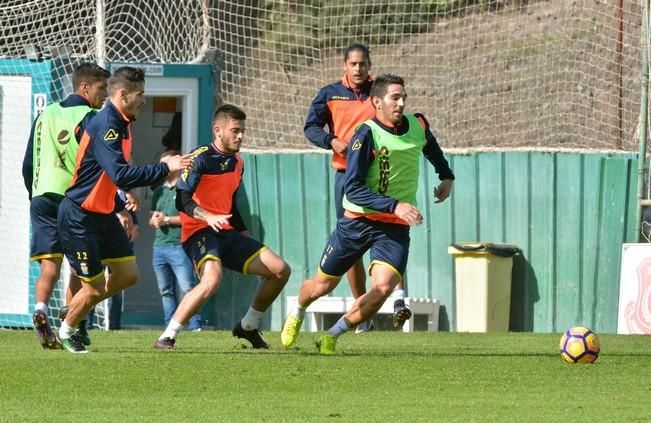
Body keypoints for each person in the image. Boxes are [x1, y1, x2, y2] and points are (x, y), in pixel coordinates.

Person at [282, 74, 455, 354]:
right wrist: (394, 205)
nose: (401, 103)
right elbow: (352, 189)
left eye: (403, 97)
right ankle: (299, 310)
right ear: (377, 102)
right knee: (321, 286)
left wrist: (446, 175)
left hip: (393, 229)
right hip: (357, 223)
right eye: (394, 98)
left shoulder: (418, 124)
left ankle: (333, 335)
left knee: (384, 286)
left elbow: (431, 147)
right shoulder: (365, 135)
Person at [56, 66, 192, 353]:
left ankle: (75, 309)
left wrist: (119, 205)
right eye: (140, 94)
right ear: (123, 95)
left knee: (128, 275)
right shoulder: (107, 124)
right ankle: (67, 329)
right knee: (92, 288)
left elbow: (103, 175)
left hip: (103, 214)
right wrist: (165, 167)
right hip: (79, 216)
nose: (144, 100)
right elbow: (120, 174)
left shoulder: (122, 122)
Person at [154, 104, 290, 350]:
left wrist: (244, 234)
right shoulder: (200, 158)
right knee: (212, 279)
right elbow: (181, 200)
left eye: (243, 131)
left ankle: (248, 325)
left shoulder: (238, 162)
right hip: (199, 232)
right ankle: (168, 336)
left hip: (226, 232)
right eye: (235, 130)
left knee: (280, 270)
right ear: (218, 130)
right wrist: (207, 217)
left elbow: (231, 205)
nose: (240, 136)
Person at [304, 43, 410, 331]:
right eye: (353, 64)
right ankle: (361, 311)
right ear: (344, 66)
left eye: (363, 63)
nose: (359, 69)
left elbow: (402, 121)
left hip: (384, 171)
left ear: (369, 65)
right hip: (347, 177)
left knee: (396, 225)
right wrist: (331, 141)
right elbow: (310, 127)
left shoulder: (381, 93)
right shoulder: (330, 94)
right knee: (352, 245)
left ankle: (399, 298)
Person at [21, 62, 110, 349]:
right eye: (101, 87)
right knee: (78, 266)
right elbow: (95, 164)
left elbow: (28, 162)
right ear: (85, 87)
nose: (105, 94)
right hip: (72, 199)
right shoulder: (91, 117)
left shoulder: (45, 113)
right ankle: (71, 321)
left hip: (40, 195)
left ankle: (40, 310)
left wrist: (33, 193)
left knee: (50, 267)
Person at [149, 150, 202, 331]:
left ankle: (195, 327)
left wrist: (167, 220)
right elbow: (152, 218)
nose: (163, 167)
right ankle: (169, 327)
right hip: (159, 247)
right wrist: (155, 220)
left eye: (167, 163)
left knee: (188, 288)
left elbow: (193, 217)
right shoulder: (158, 191)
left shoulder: (186, 188)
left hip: (179, 246)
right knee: (166, 291)